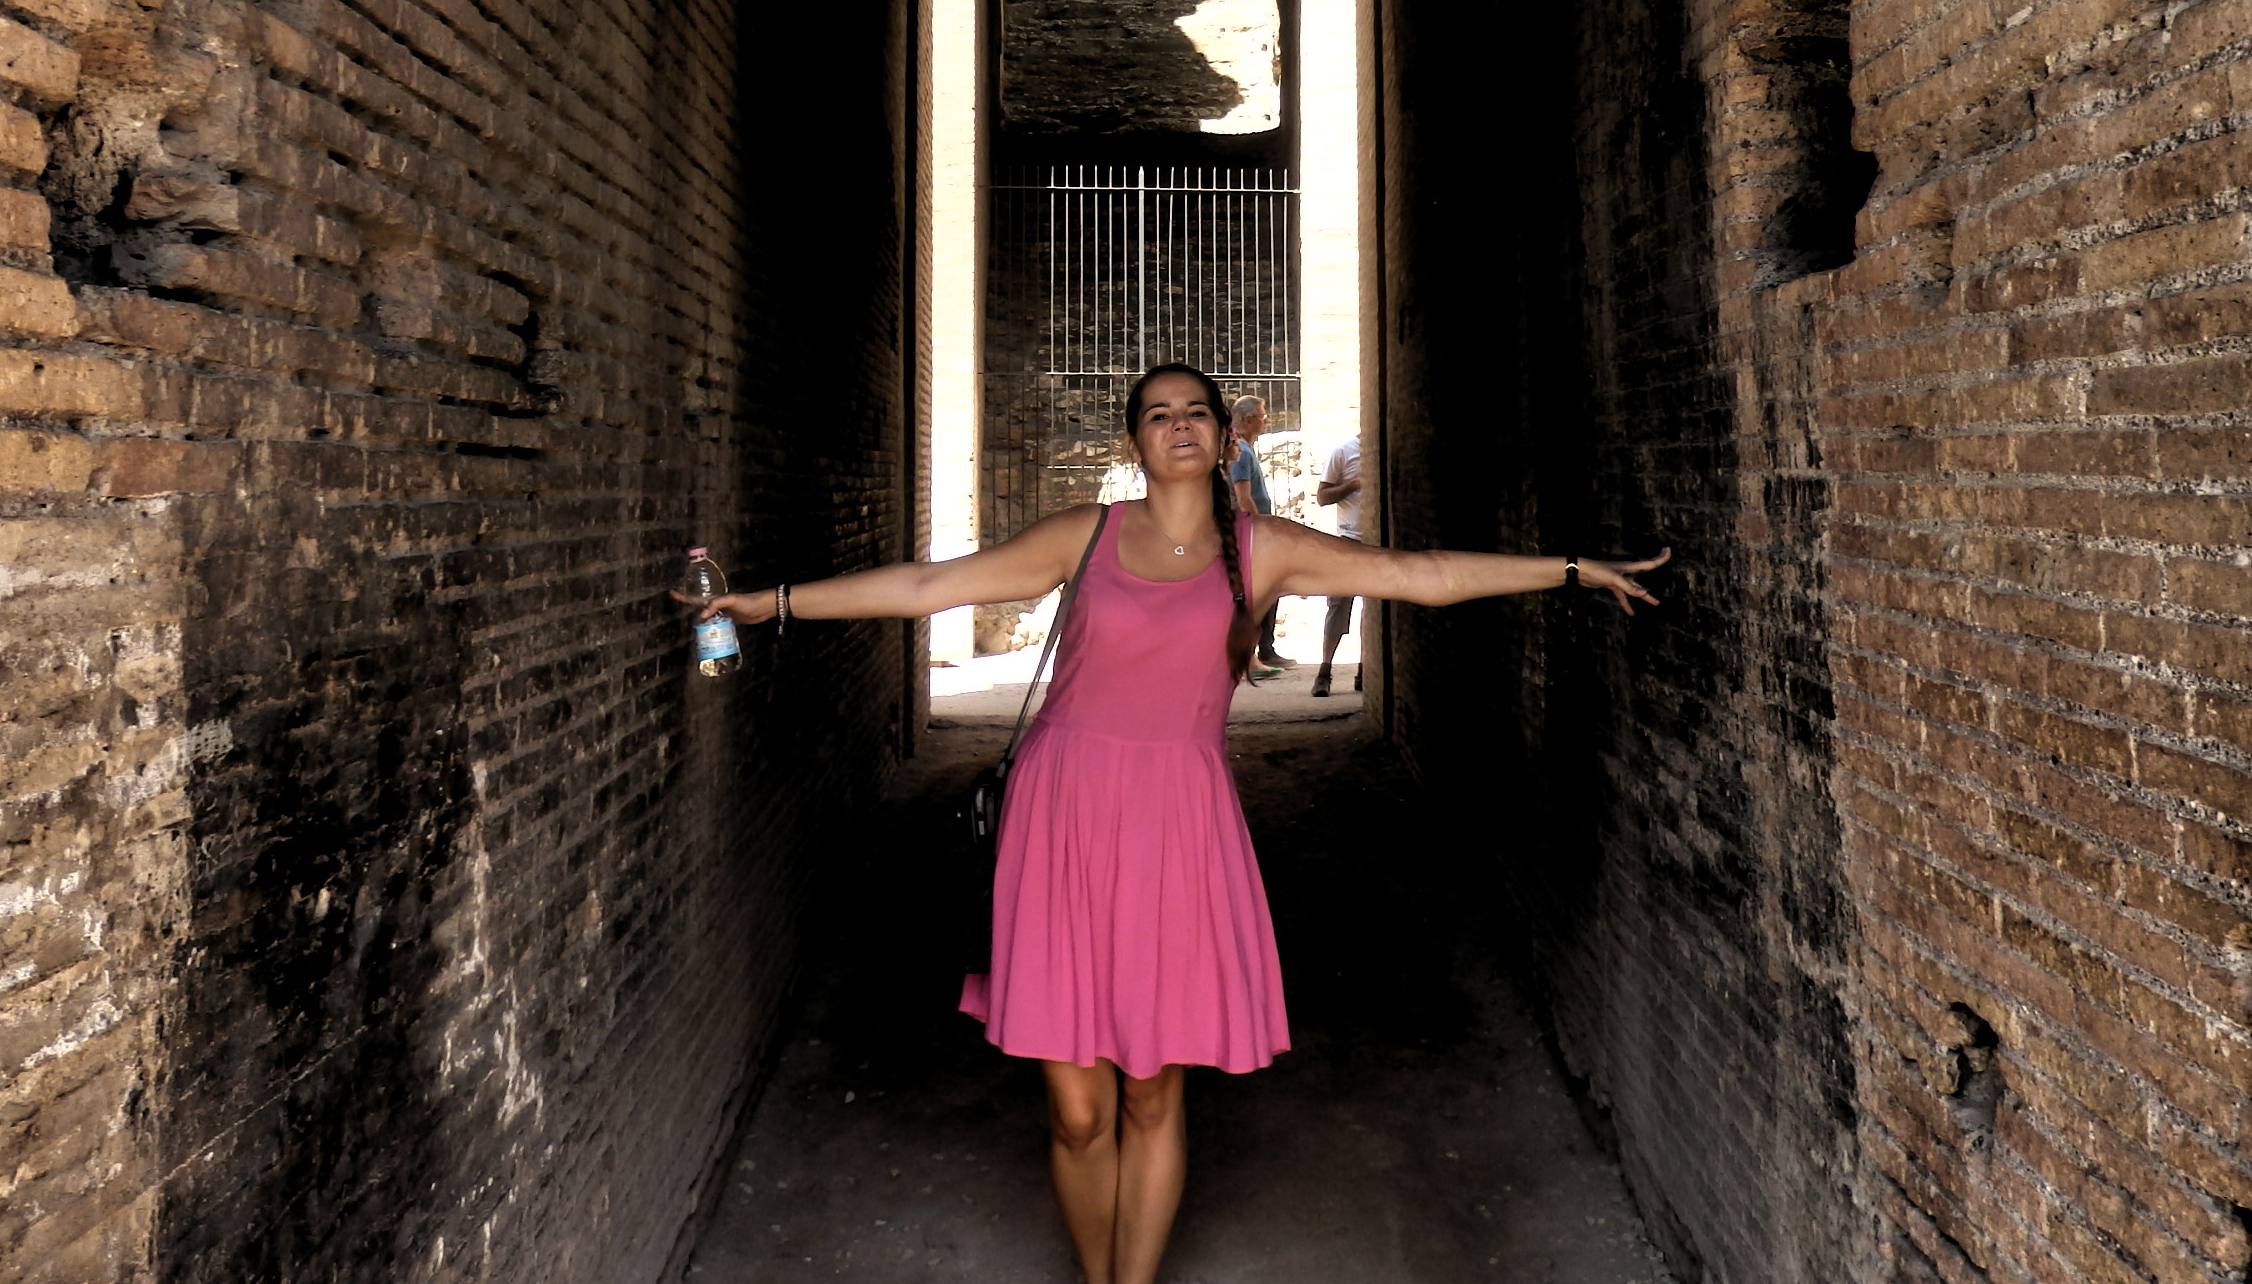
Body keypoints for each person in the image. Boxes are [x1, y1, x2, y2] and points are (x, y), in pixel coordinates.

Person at [680, 364, 1668, 1284]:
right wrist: (772, 604)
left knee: (1153, 1089)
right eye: (1157, 415)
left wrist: (1574, 569)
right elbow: (928, 587)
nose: (1178, 425)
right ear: (1134, 443)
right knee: (1078, 1113)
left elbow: (1423, 573)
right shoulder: (1086, 535)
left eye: (1195, 411)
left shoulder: (1265, 549)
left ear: (1225, 434)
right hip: (1062, 817)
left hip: (1179, 827)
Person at [1225, 394, 1296, 672]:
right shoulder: (1241, 452)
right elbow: (1243, 498)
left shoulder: (1245, 450)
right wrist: (1261, 530)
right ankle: (1260, 651)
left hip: (1250, 532)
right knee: (1263, 589)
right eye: (1262, 415)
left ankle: (1263, 649)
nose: (1266, 420)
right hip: (1250, 533)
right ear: (1247, 420)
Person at [1313, 429, 1363, 697]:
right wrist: (1353, 485)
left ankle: (1365, 671)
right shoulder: (1343, 451)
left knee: (1375, 611)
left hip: (1377, 544)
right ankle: (1324, 671)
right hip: (1348, 541)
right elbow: (1322, 497)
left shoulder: (1384, 453)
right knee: (1338, 606)